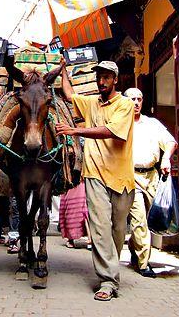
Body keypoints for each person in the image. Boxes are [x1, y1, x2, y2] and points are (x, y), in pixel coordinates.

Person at [56, 60, 135, 301]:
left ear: (115, 80)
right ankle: (108, 280)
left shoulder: (125, 105)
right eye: (99, 77)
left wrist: (74, 131)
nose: (101, 81)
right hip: (94, 175)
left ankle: (111, 266)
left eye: (106, 77)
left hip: (121, 178)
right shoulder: (91, 103)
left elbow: (112, 132)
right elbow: (69, 95)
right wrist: (63, 71)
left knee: (118, 230)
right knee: (100, 229)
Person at [124, 87, 178, 278]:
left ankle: (134, 247)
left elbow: (171, 142)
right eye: (132, 99)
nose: (136, 103)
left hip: (152, 177)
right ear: (125, 101)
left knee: (148, 219)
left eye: (139, 99)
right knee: (139, 220)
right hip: (131, 177)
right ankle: (143, 264)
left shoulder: (152, 124)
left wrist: (166, 159)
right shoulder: (121, 124)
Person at [59, 180, 91, 249]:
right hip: (71, 181)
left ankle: (90, 238)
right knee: (71, 209)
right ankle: (71, 238)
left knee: (85, 209)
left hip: (84, 179)